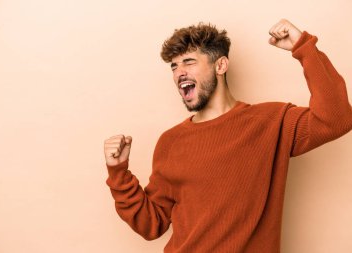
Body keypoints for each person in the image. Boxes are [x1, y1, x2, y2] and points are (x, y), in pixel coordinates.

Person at [104, 19, 352, 252]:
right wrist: (118, 173)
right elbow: (152, 224)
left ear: (221, 65)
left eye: (189, 62)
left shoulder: (271, 122)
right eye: (174, 66)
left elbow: (336, 118)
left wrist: (304, 47)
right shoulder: (170, 142)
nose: (179, 72)